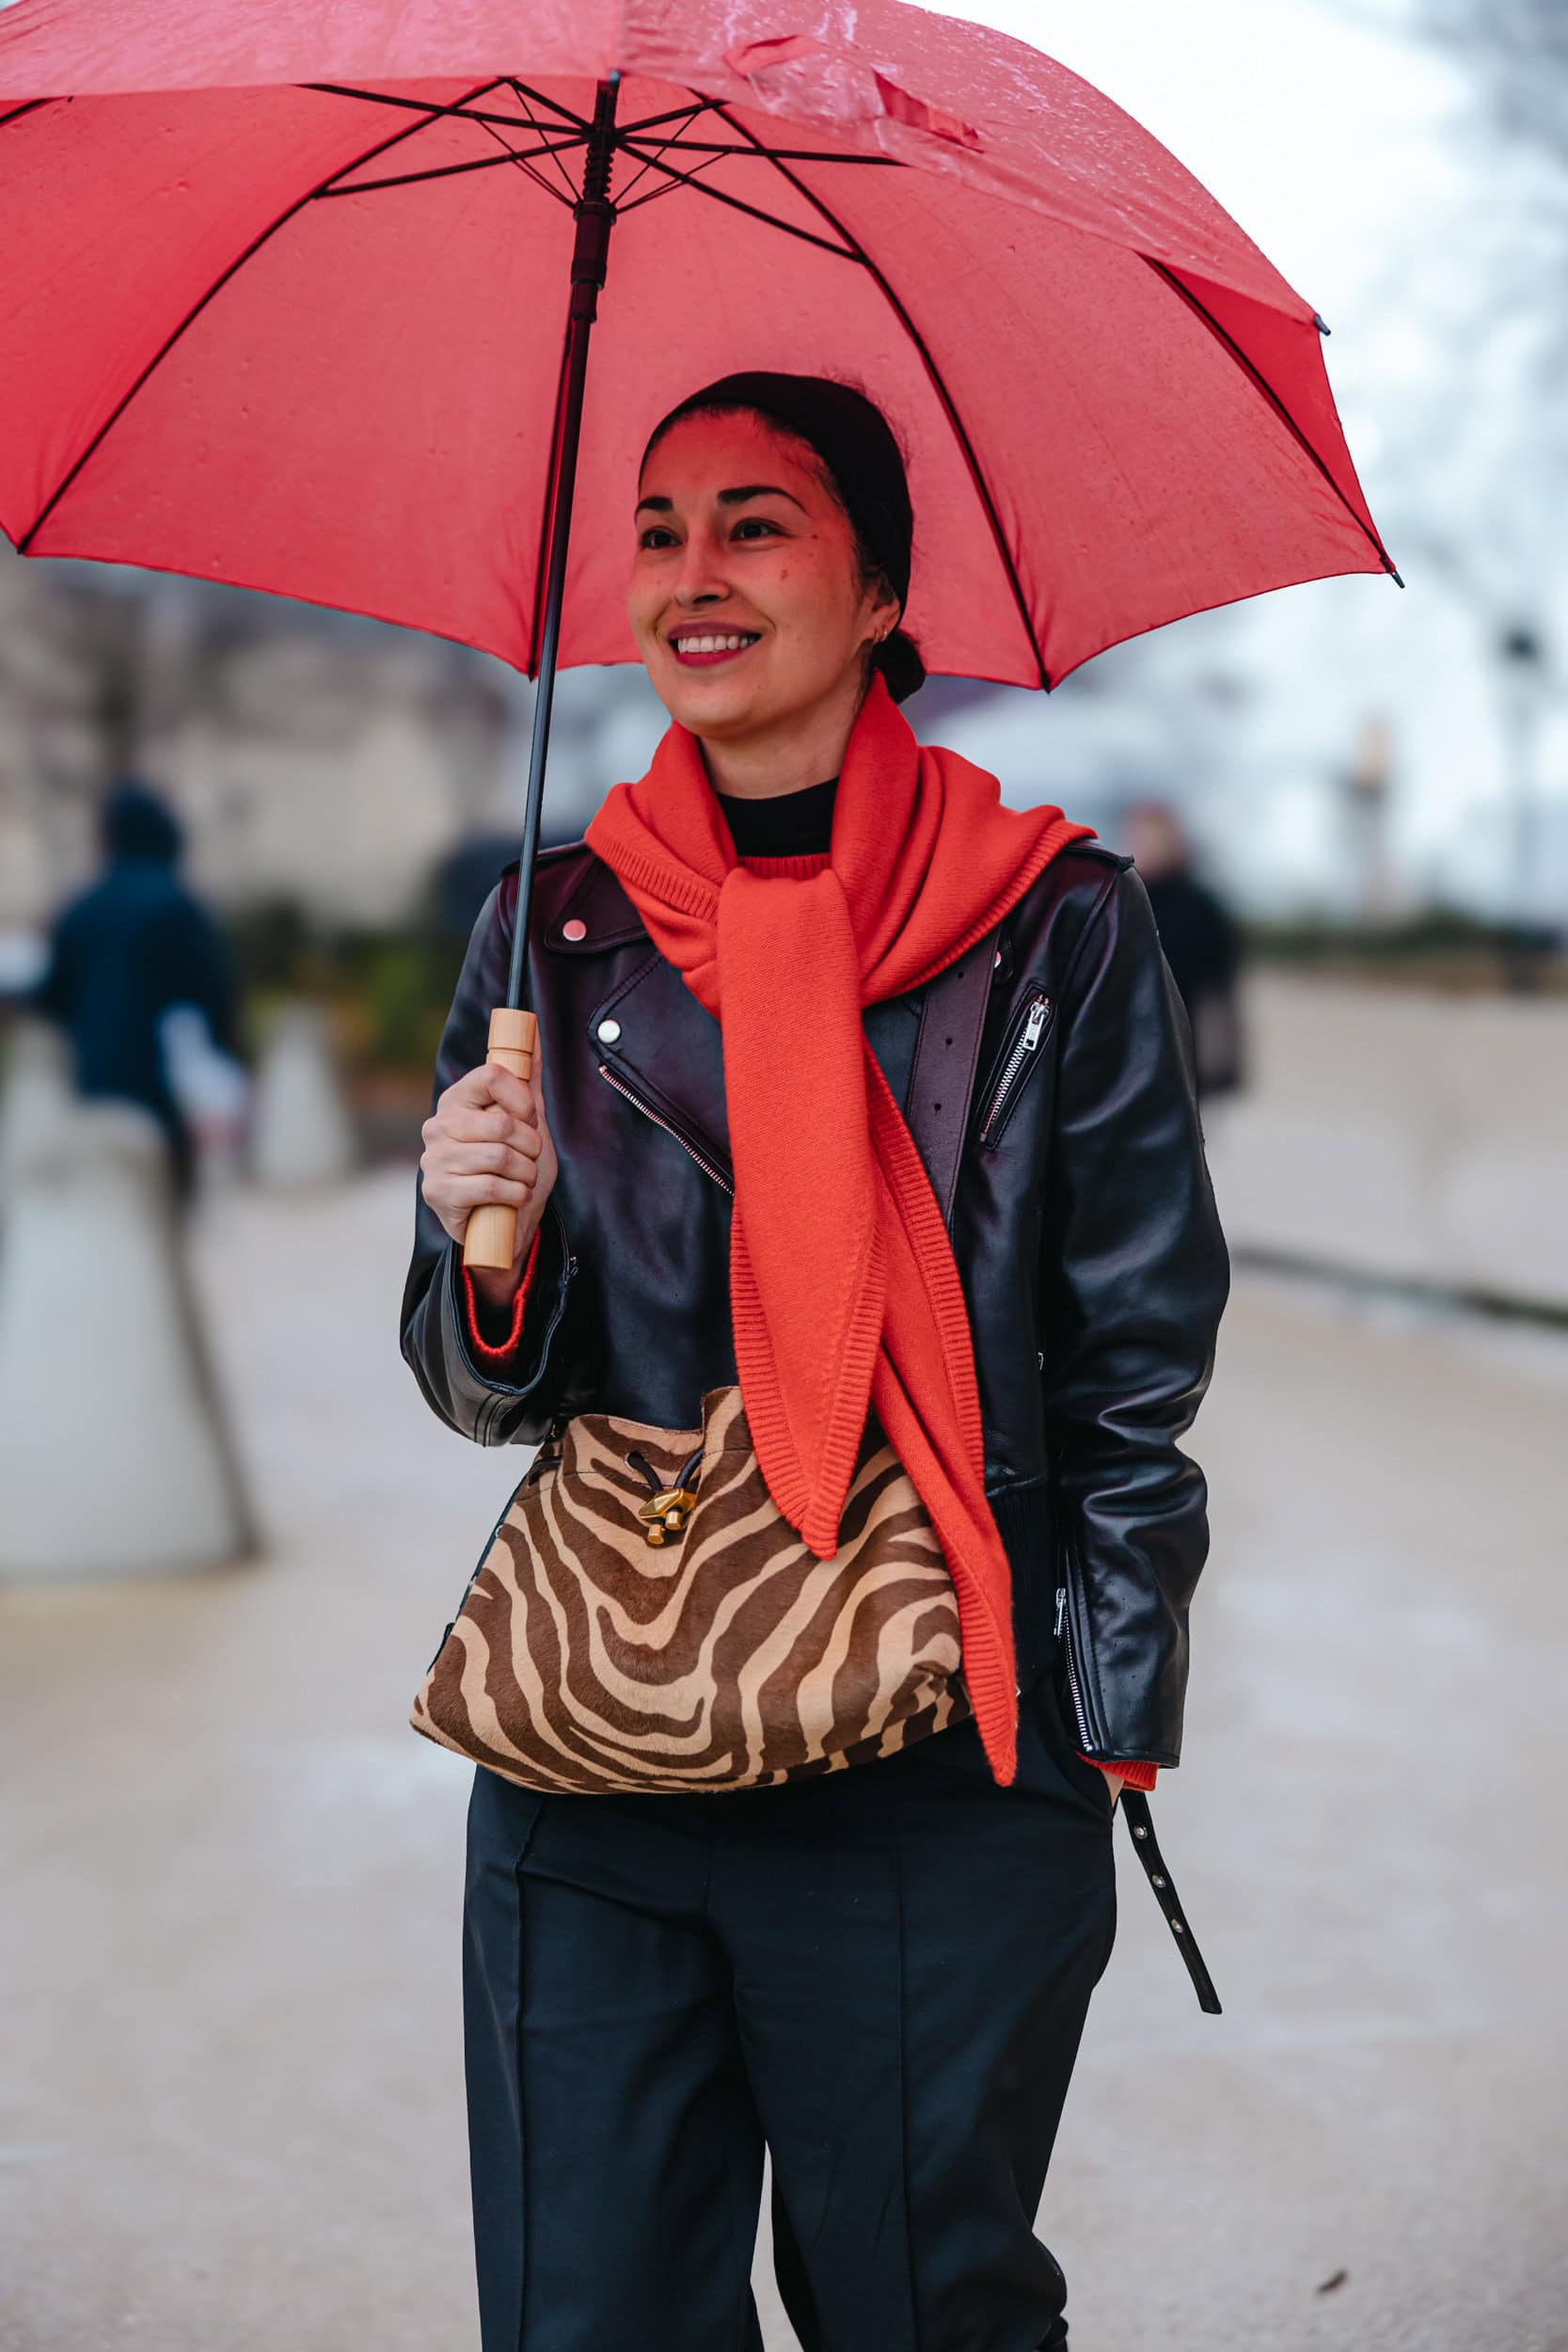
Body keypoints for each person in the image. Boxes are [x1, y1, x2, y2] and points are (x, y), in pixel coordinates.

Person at [402, 374, 1229, 2352]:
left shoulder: (1054, 926)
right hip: (595, 1752)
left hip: (928, 1758)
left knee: (914, 2307)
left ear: (876, 589)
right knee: (579, 2313)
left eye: (753, 523)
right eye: (658, 527)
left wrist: (1094, 1719)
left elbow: (1133, 1361)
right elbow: (481, 1386)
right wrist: (473, 1231)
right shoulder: (548, 933)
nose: (693, 574)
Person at [32, 780, 239, 1198]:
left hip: (95, 1082)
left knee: (110, 1194)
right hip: (163, 1086)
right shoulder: (178, 905)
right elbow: (214, 992)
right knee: (164, 1193)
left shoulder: (80, 908)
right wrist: (224, 1056)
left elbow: (52, 998)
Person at [1125, 798, 1245, 1102]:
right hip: (1123, 1053)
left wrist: (1223, 1062)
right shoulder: (1116, 902)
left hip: (1184, 1053)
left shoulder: (1201, 908)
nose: (1145, 845)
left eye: (1153, 837)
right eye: (1138, 835)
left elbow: (1221, 992)